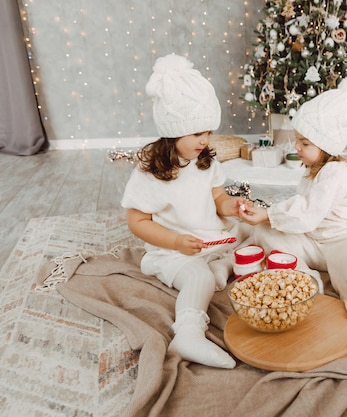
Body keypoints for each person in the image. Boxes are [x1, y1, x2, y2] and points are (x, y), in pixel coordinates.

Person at [239, 76, 347, 367]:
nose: (297, 148)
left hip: (344, 239)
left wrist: (270, 212)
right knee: (266, 233)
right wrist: (267, 218)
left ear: (329, 145)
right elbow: (302, 215)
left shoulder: (338, 172)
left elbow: (307, 211)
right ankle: (306, 280)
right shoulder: (314, 170)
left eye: (305, 143)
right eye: (297, 140)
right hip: (313, 240)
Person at [121, 53, 250, 369]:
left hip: (212, 239)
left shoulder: (206, 161)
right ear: (172, 131)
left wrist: (229, 206)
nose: (205, 141)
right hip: (175, 252)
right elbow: (137, 221)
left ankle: (223, 266)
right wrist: (176, 242)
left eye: (208, 132)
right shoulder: (150, 172)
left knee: (256, 231)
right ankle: (189, 334)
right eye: (196, 134)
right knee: (198, 277)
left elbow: (217, 198)